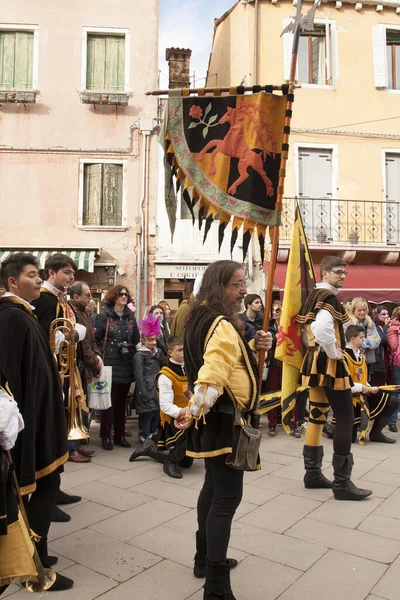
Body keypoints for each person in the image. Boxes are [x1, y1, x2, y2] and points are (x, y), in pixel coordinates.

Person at [174, 260, 272, 600]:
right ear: (219, 286)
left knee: (213, 488)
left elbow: (229, 363)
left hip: (214, 417)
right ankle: (215, 586)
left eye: (245, 283)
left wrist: (257, 346)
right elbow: (213, 373)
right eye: (237, 284)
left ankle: (204, 558)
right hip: (225, 419)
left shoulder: (201, 316)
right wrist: (192, 410)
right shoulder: (219, 325)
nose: (244, 290)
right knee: (226, 497)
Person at [0, 253, 74, 590]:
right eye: (32, 275)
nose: (38, 281)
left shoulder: (22, 314)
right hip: (32, 420)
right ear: (13, 282)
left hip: (40, 413)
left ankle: (34, 551)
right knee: (45, 485)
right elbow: (13, 376)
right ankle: (37, 567)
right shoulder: (12, 317)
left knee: (46, 486)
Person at [296, 256, 372, 501]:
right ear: (325, 273)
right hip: (328, 362)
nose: (342, 276)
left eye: (344, 273)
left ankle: (313, 474)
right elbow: (321, 330)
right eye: (338, 272)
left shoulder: (313, 295)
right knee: (346, 418)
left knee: (317, 415)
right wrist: (333, 352)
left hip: (313, 360)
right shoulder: (328, 297)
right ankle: (342, 483)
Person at [32, 253, 84, 522]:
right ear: (51, 273)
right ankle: (46, 498)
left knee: (60, 430)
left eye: (72, 272)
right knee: (49, 434)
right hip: (51, 374)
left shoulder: (59, 299)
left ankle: (55, 489)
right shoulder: (45, 299)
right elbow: (45, 336)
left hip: (60, 372)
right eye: (66, 272)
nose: (71, 277)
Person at [129, 336, 193, 479]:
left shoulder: (187, 369)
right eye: (180, 350)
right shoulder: (165, 375)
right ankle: (169, 462)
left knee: (187, 462)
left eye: (185, 350)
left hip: (189, 414)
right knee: (183, 445)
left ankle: (150, 449)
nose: (184, 353)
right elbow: (165, 405)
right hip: (173, 418)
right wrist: (182, 412)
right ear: (170, 353)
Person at [94, 285, 139, 450]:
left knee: (121, 403)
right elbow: (95, 340)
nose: (124, 297)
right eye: (121, 294)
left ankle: (120, 434)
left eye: (126, 294)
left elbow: (136, 337)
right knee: (108, 402)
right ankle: (106, 436)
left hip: (126, 365)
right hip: (109, 366)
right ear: (113, 296)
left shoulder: (130, 317)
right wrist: (98, 359)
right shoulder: (103, 317)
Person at [342, 325, 397, 444]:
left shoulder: (361, 356)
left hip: (362, 395)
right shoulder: (344, 357)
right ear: (352, 339)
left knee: (393, 401)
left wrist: (370, 387)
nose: (364, 340)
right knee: (349, 438)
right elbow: (346, 384)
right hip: (349, 399)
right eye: (361, 338)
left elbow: (363, 378)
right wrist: (364, 388)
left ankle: (376, 432)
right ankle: (330, 428)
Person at [69, 282, 102, 462]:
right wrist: (94, 362)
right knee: (77, 407)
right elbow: (82, 344)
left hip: (85, 366)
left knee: (83, 407)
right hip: (78, 366)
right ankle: (72, 448)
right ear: (76, 297)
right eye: (87, 295)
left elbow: (92, 340)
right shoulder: (72, 312)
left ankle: (79, 444)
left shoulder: (84, 312)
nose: (90, 298)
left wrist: (97, 356)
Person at [132, 313, 163, 443]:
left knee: (156, 413)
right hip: (145, 390)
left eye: (154, 339)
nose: (153, 342)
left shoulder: (157, 353)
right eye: (149, 340)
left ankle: (152, 433)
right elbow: (139, 375)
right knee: (147, 414)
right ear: (143, 340)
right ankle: (145, 436)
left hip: (157, 389)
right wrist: (143, 392)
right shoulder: (139, 356)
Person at [344, 297, 381, 370]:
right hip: (352, 359)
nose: (362, 312)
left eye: (364, 310)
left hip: (367, 359)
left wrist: (361, 341)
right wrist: (369, 340)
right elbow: (347, 341)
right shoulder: (347, 323)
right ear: (353, 310)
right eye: (359, 310)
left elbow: (377, 340)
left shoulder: (370, 323)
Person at [369, 305, 390, 387]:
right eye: (383, 314)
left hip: (386, 359)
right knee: (378, 385)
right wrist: (386, 327)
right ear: (377, 315)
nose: (386, 316)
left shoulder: (385, 326)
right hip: (378, 361)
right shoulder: (376, 327)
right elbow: (384, 340)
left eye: (387, 314)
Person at [387, 307, 400, 432]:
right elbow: (394, 346)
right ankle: (392, 422)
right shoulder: (393, 329)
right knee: (397, 392)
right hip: (397, 363)